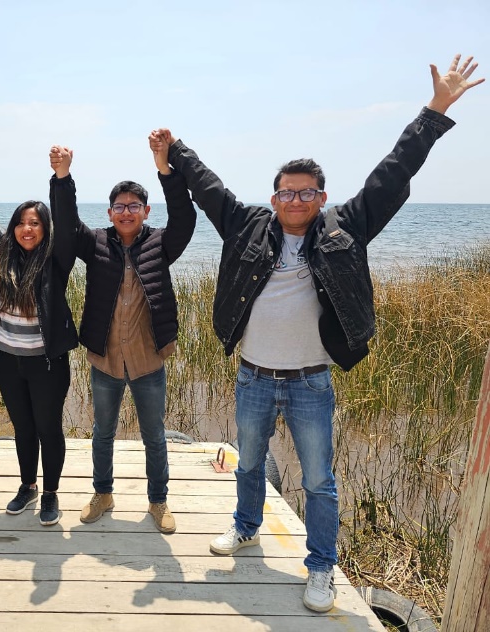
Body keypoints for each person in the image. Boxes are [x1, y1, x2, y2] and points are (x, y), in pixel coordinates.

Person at [156, 54, 484, 612]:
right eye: (287, 192)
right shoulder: (248, 225)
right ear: (274, 196)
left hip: (311, 382)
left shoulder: (347, 228)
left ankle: (320, 568)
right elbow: (207, 188)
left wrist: (435, 110)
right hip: (253, 376)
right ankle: (245, 526)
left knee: (318, 481)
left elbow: (393, 173)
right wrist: (175, 151)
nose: (297, 200)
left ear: (322, 198)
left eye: (308, 192)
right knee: (251, 462)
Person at [51, 137, 195, 534]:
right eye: (119, 206)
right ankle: (103, 493)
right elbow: (65, 222)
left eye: (134, 206)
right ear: (111, 212)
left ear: (146, 211)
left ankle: (158, 501)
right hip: (106, 358)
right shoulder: (96, 243)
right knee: (102, 434)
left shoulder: (161, 243)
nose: (126, 212)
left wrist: (165, 167)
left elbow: (185, 218)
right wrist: (63, 177)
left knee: (154, 436)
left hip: (149, 358)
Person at [0, 139, 78, 526]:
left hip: (47, 363)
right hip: (9, 361)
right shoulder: (5, 253)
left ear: (46, 229)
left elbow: (67, 213)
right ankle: (27, 485)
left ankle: (50, 492)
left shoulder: (56, 259)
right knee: (23, 428)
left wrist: (61, 177)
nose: (27, 229)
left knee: (49, 429)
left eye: (35, 223)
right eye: (21, 223)